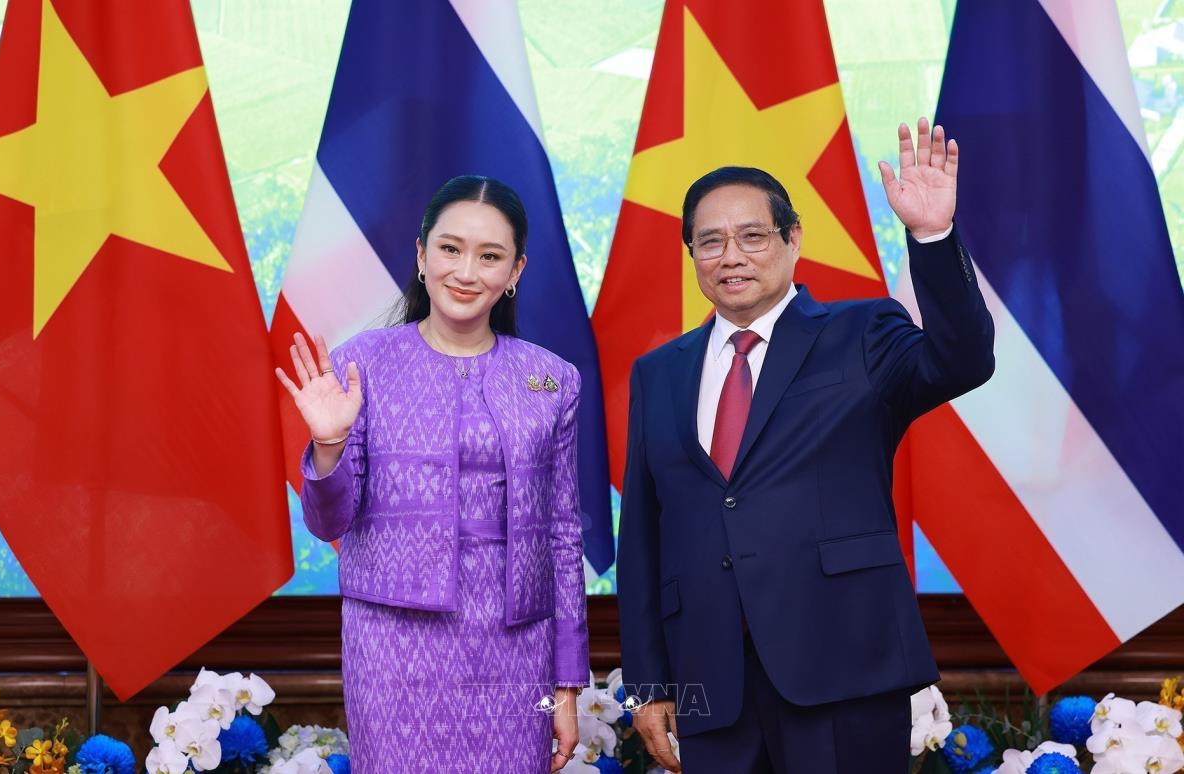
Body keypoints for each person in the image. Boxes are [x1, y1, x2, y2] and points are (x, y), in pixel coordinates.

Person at [616, 118, 995, 773]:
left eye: (753, 235)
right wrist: (648, 686)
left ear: (793, 239)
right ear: (692, 255)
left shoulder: (862, 331)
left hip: (844, 665)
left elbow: (962, 360)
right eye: (711, 241)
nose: (731, 256)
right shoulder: (659, 373)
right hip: (710, 684)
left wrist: (932, 237)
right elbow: (645, 537)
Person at [276, 175, 590, 773]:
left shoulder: (552, 379)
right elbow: (328, 523)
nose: (466, 272)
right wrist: (328, 442)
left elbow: (562, 535)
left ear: (516, 270)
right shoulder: (361, 364)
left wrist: (567, 684)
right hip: (391, 646)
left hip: (515, 650)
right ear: (422, 255)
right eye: (450, 248)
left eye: (490, 256)